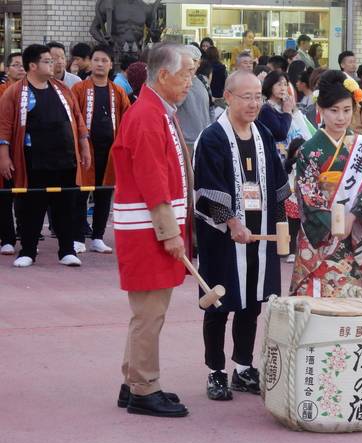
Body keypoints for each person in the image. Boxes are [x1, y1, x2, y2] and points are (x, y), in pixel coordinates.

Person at [193, 70, 289, 401]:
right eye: (246, 97)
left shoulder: (262, 134)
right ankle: (215, 371)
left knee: (252, 303)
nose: (253, 103)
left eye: (258, 96)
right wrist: (232, 223)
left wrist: (280, 226)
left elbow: (276, 185)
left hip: (259, 237)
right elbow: (207, 189)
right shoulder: (213, 137)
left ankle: (243, 367)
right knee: (219, 304)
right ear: (228, 97)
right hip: (222, 239)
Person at [111, 43, 194, 417]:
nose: (191, 81)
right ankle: (145, 387)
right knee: (149, 313)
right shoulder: (147, 115)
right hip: (148, 230)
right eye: (186, 74)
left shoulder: (157, 111)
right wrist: (170, 233)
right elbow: (153, 180)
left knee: (146, 313)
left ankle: (133, 382)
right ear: (163, 75)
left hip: (150, 228)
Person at [0, 44, 91, 268]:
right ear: (33, 66)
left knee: (66, 207)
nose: (54, 64)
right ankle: (28, 251)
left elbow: (78, 120)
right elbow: (4, 127)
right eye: (47, 61)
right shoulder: (15, 92)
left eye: (53, 61)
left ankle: (67, 250)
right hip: (33, 160)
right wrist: (4, 156)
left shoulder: (62, 89)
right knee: (31, 207)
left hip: (65, 159)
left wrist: (84, 146)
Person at [290, 70, 362, 298]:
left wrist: (351, 218)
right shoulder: (309, 151)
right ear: (320, 110)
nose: (341, 117)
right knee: (319, 303)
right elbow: (309, 196)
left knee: (353, 300)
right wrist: (337, 223)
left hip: (355, 233)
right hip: (323, 237)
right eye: (334, 111)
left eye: (347, 110)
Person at [71, 45, 130, 255]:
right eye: (96, 60)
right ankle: (77, 237)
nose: (100, 64)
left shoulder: (118, 91)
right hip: (85, 150)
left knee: (105, 194)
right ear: (90, 62)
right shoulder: (79, 89)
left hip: (110, 150)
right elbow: (73, 117)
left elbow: (127, 120)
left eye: (104, 60)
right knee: (81, 193)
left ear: (110, 64)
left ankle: (97, 237)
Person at [0, 52, 25, 255]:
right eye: (16, 65)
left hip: (27, 153)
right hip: (5, 151)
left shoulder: (32, 90)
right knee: (5, 197)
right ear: (7, 68)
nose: (20, 68)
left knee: (27, 198)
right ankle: (7, 238)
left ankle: (27, 238)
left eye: (24, 65)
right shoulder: (2, 90)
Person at [176, 45, 211, 155]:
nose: (193, 64)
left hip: (203, 138)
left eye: (195, 60)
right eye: (190, 60)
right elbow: (174, 105)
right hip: (187, 141)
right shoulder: (180, 82)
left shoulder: (201, 81)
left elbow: (209, 108)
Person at [284, 137, 306, 263]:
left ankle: (303, 252)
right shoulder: (289, 164)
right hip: (292, 200)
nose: (299, 152)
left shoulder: (308, 163)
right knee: (292, 229)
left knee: (305, 229)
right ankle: (291, 252)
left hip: (305, 201)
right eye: (297, 150)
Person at [257, 71, 294, 143]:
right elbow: (281, 134)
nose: (283, 88)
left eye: (285, 84)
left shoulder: (286, 105)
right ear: (270, 86)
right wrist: (287, 112)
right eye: (279, 84)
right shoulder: (266, 110)